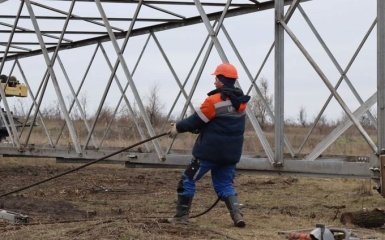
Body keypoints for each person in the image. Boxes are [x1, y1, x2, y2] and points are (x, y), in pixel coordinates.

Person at [168, 63, 250, 227]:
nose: (214, 82)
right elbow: (219, 123)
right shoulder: (241, 103)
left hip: (209, 153)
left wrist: (177, 127)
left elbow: (195, 121)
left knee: (187, 180)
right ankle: (237, 216)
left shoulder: (214, 101)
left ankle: (181, 218)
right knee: (225, 184)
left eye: (216, 78)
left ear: (221, 80)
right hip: (230, 155)